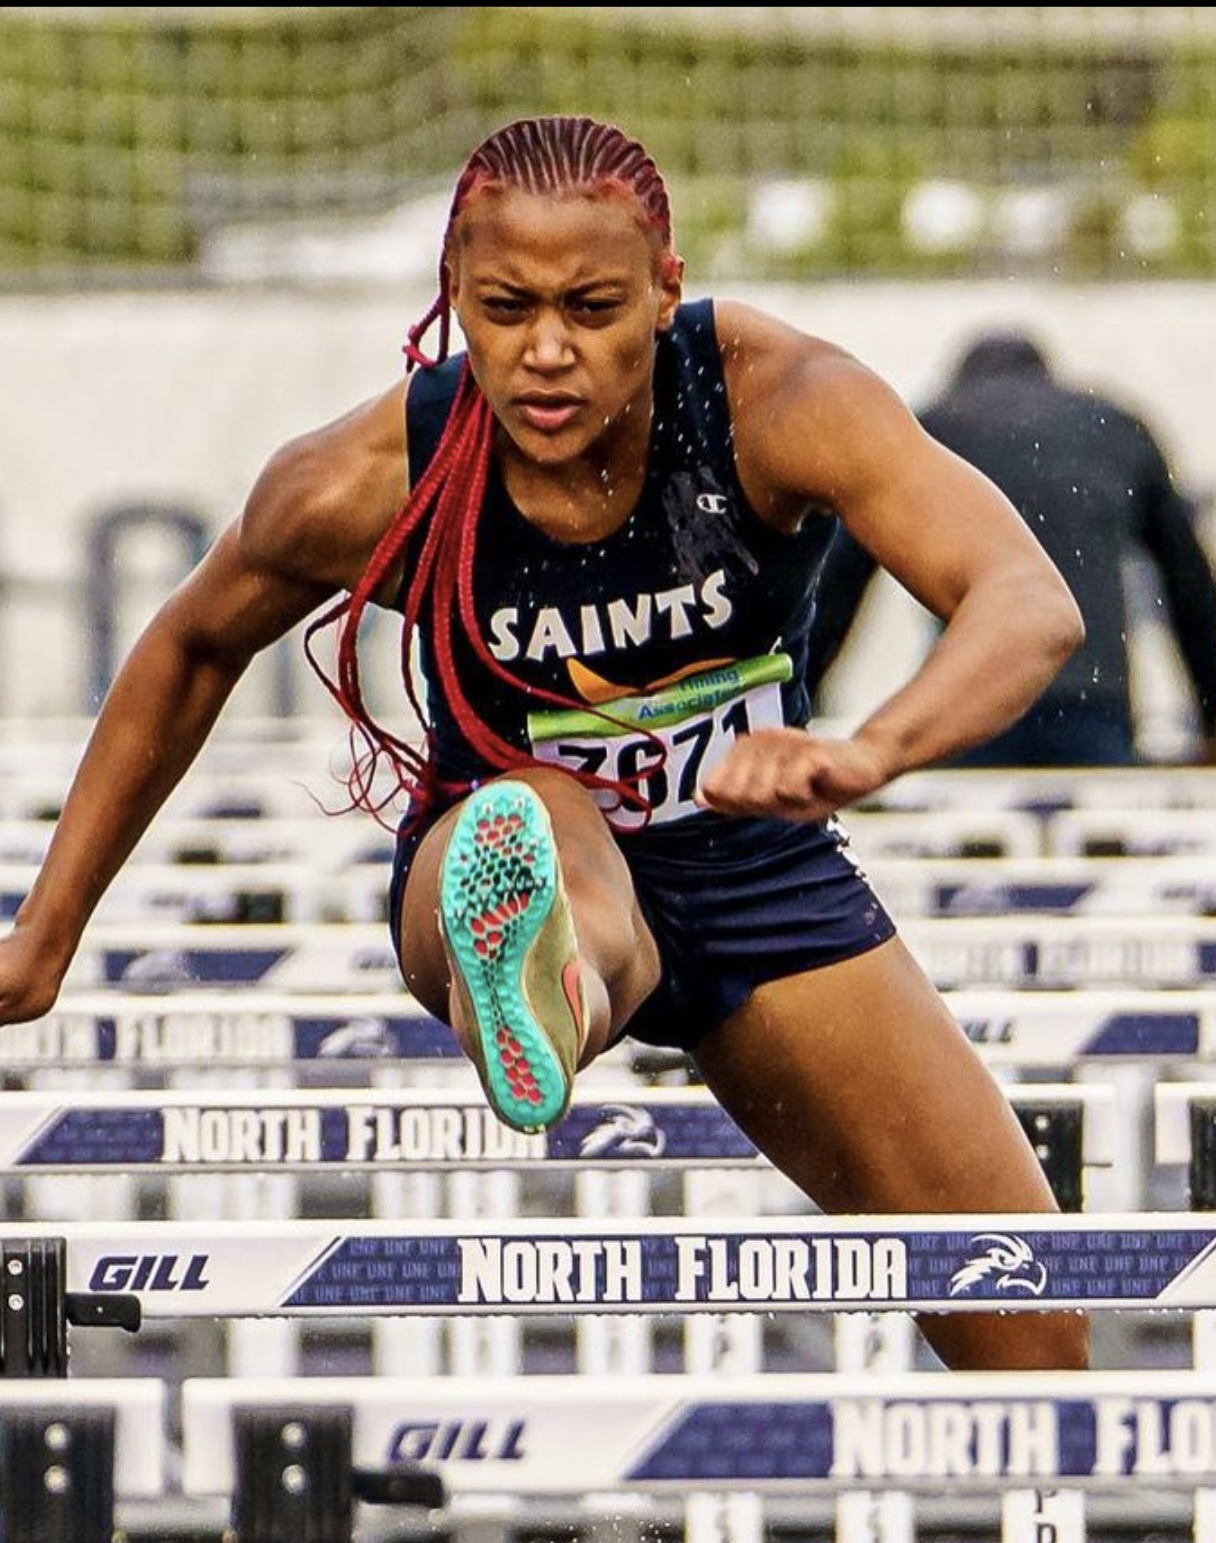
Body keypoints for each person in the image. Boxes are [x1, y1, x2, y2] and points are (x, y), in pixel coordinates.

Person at [0, 116, 1087, 1372]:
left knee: (1033, 1328)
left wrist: (873, 748)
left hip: (758, 874)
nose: (548, 352)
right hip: (503, 841)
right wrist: (46, 934)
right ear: (454, 297)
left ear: (666, 291)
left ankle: (565, 981)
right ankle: (546, 986)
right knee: (541, 818)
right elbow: (192, 646)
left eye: (594, 308)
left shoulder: (779, 400)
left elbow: (1026, 601)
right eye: (506, 310)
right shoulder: (365, 476)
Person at [811, 327, 1216, 767]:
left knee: (970, 806)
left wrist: (800, 702)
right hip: (1090, 698)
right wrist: (1213, 717)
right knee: (1091, 799)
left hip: (968, 701)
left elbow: (840, 581)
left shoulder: (930, 429)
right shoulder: (1113, 427)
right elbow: (1191, 584)